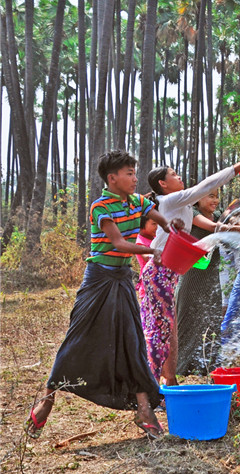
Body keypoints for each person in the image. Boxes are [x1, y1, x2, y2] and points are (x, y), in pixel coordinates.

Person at [26, 151, 176, 440]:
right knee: (77, 339)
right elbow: (118, 243)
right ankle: (47, 400)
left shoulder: (138, 202)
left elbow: (157, 216)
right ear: (112, 178)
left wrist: (171, 226)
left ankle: (144, 410)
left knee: (133, 341)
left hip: (122, 278)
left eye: (134, 173)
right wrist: (152, 250)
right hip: (98, 280)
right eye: (129, 173)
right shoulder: (101, 207)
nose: (135, 178)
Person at [139, 158, 240, 386]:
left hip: (170, 274)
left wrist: (237, 228)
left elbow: (212, 226)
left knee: (169, 331)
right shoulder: (169, 201)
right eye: (173, 174)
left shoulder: (183, 206)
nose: (179, 177)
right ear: (163, 184)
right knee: (160, 330)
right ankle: (150, 385)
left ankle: (169, 382)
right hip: (158, 273)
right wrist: (234, 169)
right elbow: (204, 187)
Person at [172, 190, 240, 375]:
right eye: (210, 196)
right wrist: (237, 228)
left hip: (212, 276)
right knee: (188, 318)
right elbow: (215, 227)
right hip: (192, 274)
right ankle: (183, 367)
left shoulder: (219, 214)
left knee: (211, 319)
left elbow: (233, 222)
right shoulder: (192, 214)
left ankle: (208, 366)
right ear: (198, 198)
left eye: (216, 196)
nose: (215, 200)